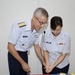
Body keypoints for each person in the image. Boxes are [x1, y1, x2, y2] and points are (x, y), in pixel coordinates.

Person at [7, 7, 49, 75]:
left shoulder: (37, 30)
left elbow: (37, 46)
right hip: (14, 54)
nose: (42, 26)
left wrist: (43, 60)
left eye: (45, 23)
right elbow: (10, 46)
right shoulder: (19, 26)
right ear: (34, 18)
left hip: (24, 54)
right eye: (41, 23)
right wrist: (22, 63)